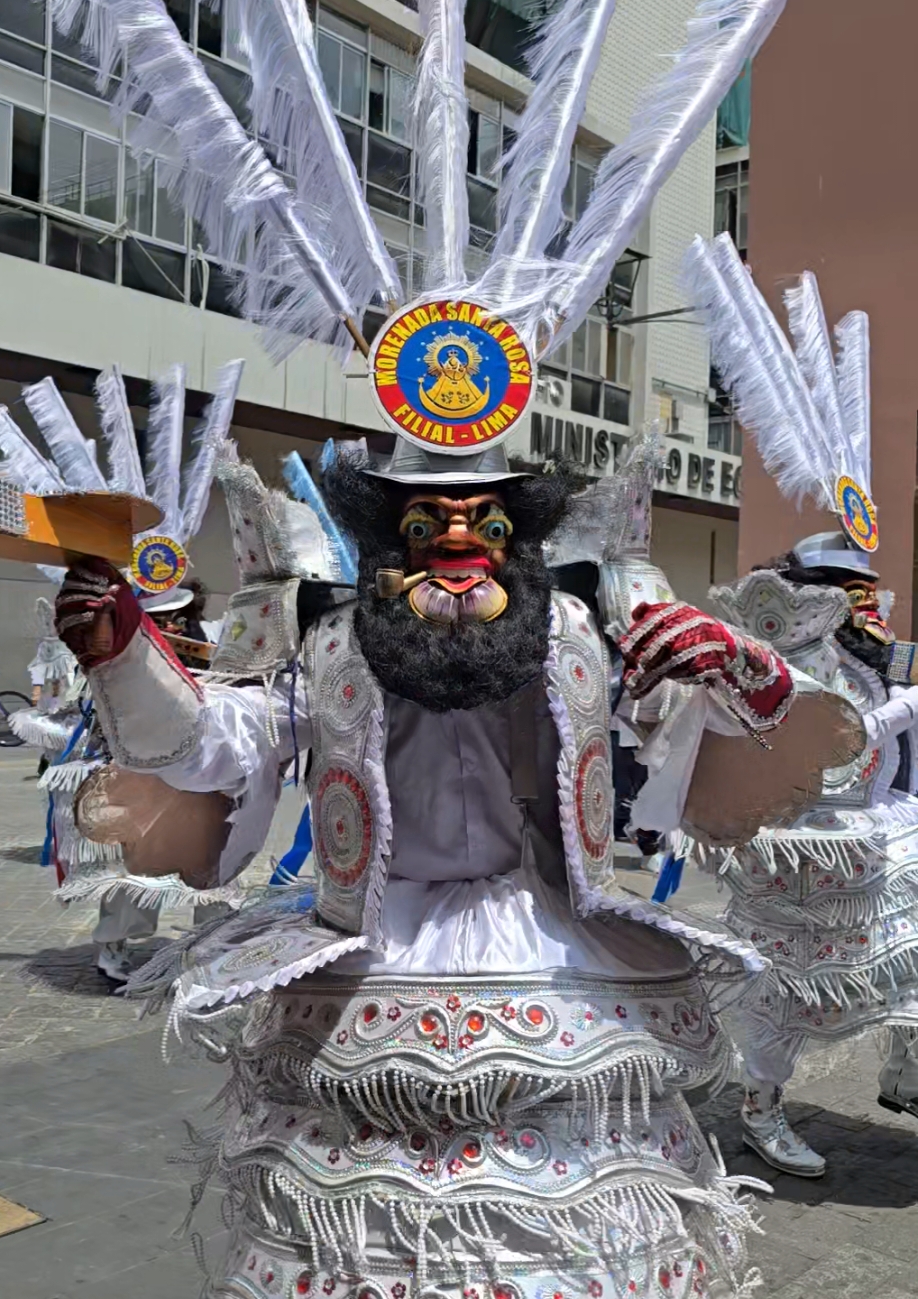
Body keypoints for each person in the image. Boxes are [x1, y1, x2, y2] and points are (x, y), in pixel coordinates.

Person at [44, 0, 804, 1291]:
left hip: (545, 952)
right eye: (429, 513)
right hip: (371, 956)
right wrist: (123, 651)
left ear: (514, 523)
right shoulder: (335, 644)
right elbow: (221, 740)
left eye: (480, 513)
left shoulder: (572, 632)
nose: (456, 532)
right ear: (390, 526)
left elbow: (675, 755)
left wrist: (733, 675)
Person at [685, 232, 918, 1176]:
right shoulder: (790, 664)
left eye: (873, 593)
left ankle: (906, 1070)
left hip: (873, 840)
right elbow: (838, 742)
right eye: (854, 596)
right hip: (800, 851)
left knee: (908, 964)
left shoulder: (870, 658)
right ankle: (758, 1106)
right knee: (788, 997)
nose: (873, 606)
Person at [0, 360, 246, 982]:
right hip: (137, 770)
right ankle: (116, 949)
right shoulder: (122, 644)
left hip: (207, 770)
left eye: (183, 614)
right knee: (140, 864)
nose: (178, 626)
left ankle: (210, 945)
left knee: (217, 859)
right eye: (167, 618)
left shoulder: (213, 639)